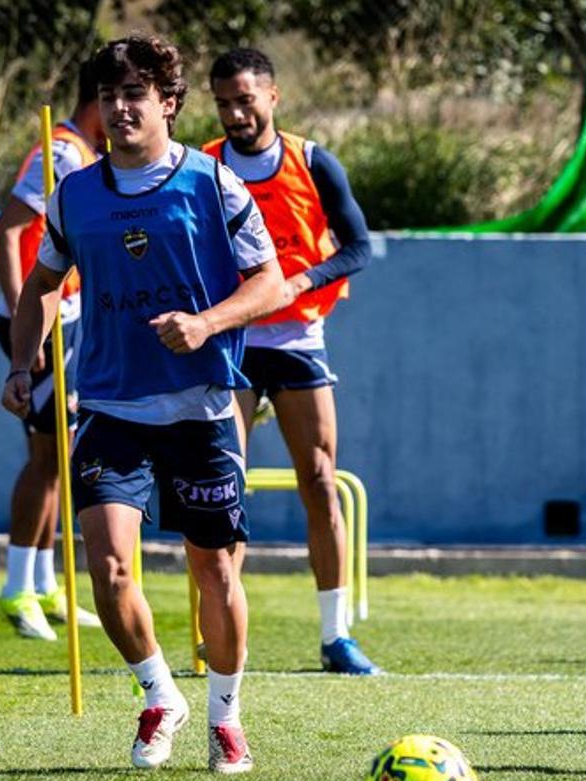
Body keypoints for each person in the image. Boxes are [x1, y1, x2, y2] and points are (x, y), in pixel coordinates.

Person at [2, 35, 285, 774]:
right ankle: (161, 694)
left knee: (215, 571)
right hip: (111, 405)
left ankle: (226, 715)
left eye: (134, 94)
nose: (120, 108)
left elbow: (272, 283)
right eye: (108, 96)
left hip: (201, 407)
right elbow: (41, 284)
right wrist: (21, 363)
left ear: (166, 102)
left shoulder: (213, 185)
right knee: (109, 567)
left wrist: (206, 324)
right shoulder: (74, 195)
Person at [204, 48, 382, 675]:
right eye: (223, 103)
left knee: (319, 478)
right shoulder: (203, 167)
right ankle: (219, 628)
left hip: (300, 340)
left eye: (244, 100)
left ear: (272, 97)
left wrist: (301, 281)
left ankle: (336, 638)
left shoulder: (312, 162)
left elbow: (359, 247)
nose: (234, 113)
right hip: (233, 342)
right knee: (223, 484)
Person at [0, 59, 104, 641]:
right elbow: (6, 230)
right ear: (97, 102)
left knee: (60, 455)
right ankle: (15, 590)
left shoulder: (88, 154)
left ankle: (43, 583)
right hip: (40, 323)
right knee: (43, 457)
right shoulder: (61, 152)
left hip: (70, 315)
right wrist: (23, 324)